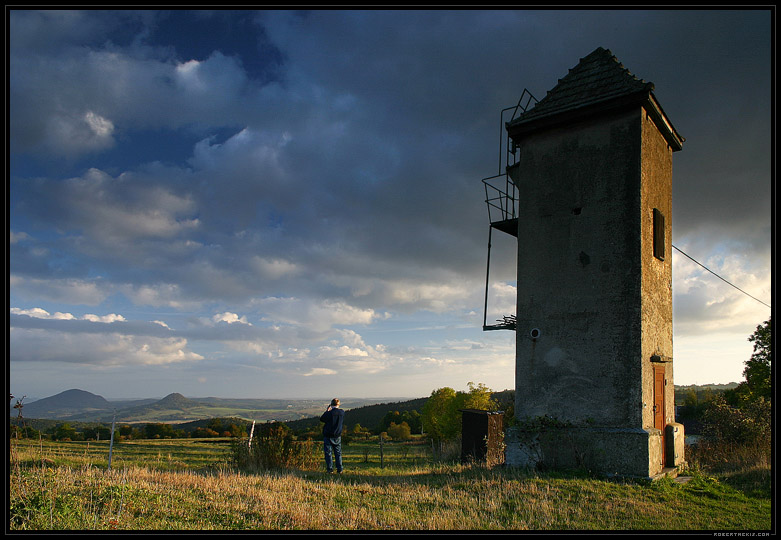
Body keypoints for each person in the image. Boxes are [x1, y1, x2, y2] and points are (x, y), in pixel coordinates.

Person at [320, 398, 345, 474]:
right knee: (338, 453)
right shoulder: (342, 412)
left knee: (328, 453)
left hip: (328, 435)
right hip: (337, 435)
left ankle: (330, 469)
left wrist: (327, 411)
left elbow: (322, 419)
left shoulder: (329, 413)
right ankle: (339, 469)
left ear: (331, 404)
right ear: (338, 404)